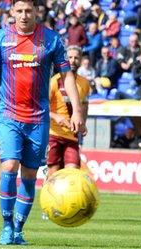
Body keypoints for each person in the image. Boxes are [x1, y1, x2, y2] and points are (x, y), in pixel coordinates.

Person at [0, 0, 85, 246]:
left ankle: (18, 229)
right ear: (12, 12)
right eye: (20, 11)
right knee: (9, 166)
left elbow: (67, 75)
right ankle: (6, 226)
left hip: (38, 119)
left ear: (36, 11)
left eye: (29, 10)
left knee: (29, 174)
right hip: (8, 115)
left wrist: (77, 110)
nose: (24, 15)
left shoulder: (50, 39)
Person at [46, 45, 90, 177]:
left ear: (81, 60)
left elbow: (84, 105)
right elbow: (42, 108)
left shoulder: (84, 83)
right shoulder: (54, 82)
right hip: (53, 135)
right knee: (53, 173)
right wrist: (56, 117)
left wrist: (83, 122)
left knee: (73, 173)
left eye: (76, 58)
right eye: (70, 57)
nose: (73, 60)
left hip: (72, 136)